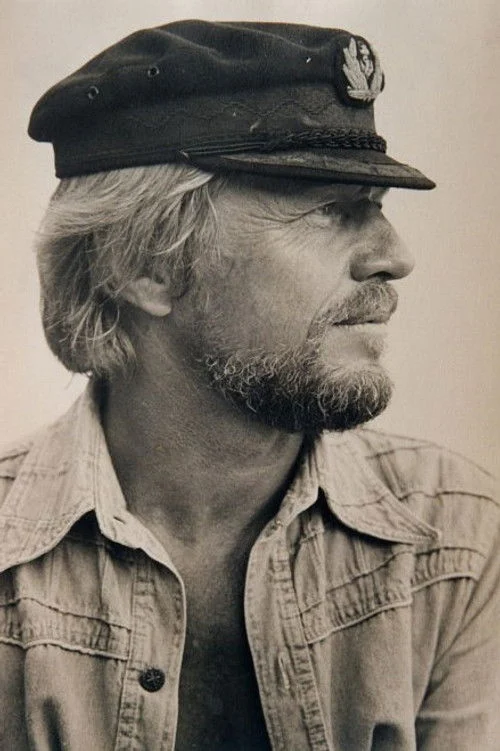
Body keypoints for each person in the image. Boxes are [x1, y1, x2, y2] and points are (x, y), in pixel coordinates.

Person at [0, 19, 498, 751]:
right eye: (331, 210)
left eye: (378, 207)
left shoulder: (455, 535)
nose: (395, 257)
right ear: (147, 264)